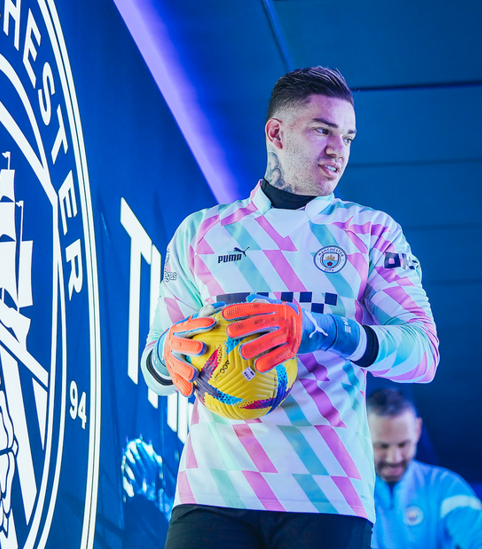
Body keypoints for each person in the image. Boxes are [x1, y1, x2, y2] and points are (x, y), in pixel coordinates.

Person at [140, 67, 439, 549]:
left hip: (327, 495)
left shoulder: (371, 231)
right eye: (323, 130)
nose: (338, 149)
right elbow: (155, 363)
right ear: (275, 133)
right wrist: (171, 353)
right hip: (213, 491)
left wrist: (319, 329)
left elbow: (423, 355)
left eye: (348, 136)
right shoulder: (201, 231)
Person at [366, 388, 482, 549]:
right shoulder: (346, 491)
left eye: (403, 444)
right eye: (382, 446)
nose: (394, 458)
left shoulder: (447, 486)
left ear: (417, 430)